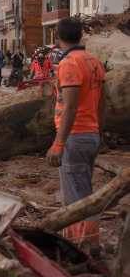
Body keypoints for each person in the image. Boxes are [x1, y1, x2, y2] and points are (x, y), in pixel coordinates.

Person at [46, 17, 106, 246]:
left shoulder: (69, 63)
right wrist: (98, 132)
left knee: (78, 198)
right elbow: (103, 102)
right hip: (90, 136)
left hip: (74, 137)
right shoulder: (94, 61)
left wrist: (58, 144)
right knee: (76, 192)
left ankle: (89, 245)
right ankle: (73, 241)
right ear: (81, 36)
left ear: (56, 37)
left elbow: (70, 106)